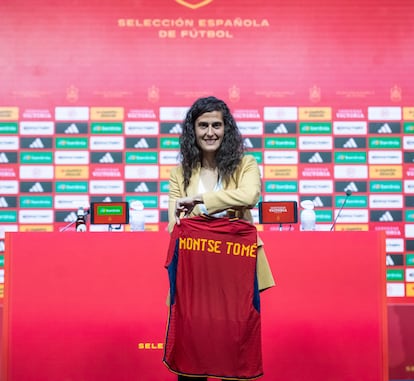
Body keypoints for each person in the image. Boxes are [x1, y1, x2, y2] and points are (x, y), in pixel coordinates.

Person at [165, 96, 275, 381]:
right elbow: (174, 225)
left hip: (236, 271)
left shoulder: (245, 164)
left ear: (227, 130)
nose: (210, 132)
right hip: (197, 274)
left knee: (236, 351)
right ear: (193, 130)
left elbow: (249, 196)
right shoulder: (179, 174)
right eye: (203, 125)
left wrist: (200, 200)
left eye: (217, 125)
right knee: (192, 351)